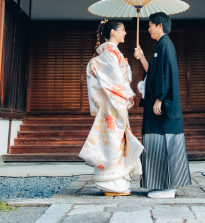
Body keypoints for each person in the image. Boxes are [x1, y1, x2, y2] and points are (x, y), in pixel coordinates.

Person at [79, 19, 144, 196]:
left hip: (115, 103)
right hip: (112, 104)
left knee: (117, 141)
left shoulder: (113, 53)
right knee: (113, 141)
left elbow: (120, 78)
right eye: (122, 29)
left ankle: (118, 181)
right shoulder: (108, 53)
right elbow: (115, 79)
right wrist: (128, 94)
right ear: (113, 32)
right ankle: (112, 182)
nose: (125, 33)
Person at [133, 12, 191, 199]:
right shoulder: (161, 46)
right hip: (158, 106)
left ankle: (167, 187)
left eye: (149, 25)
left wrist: (159, 98)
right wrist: (142, 58)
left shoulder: (166, 44)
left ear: (159, 25)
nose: (148, 28)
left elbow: (165, 75)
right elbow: (155, 74)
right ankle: (160, 185)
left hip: (163, 107)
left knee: (166, 144)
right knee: (157, 143)